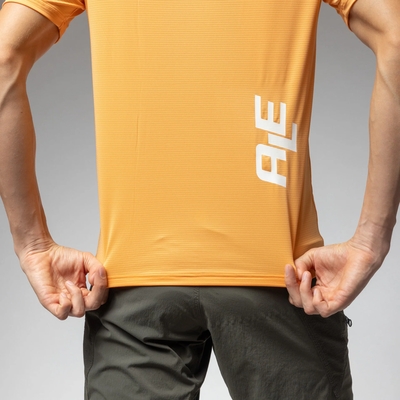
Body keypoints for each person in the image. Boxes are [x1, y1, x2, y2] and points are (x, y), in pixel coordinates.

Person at [0, 0, 399, 398]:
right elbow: (395, 37)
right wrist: (372, 240)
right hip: (281, 273)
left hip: (133, 281)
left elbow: (5, 56)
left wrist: (32, 244)